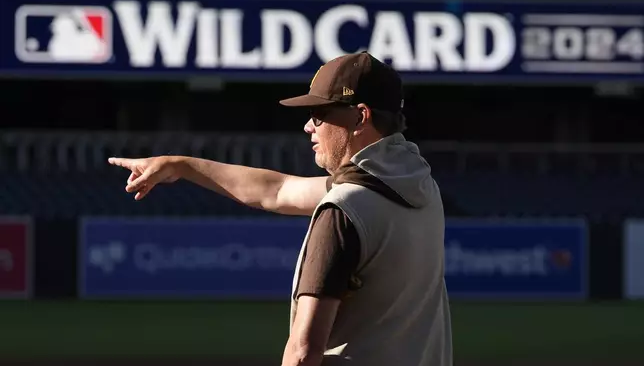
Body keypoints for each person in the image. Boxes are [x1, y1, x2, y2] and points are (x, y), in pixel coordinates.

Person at [108, 51, 453, 366]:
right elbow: (277, 190)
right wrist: (181, 165)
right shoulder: (419, 186)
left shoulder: (344, 209)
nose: (308, 126)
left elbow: (303, 352)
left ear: (360, 116)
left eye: (319, 114)